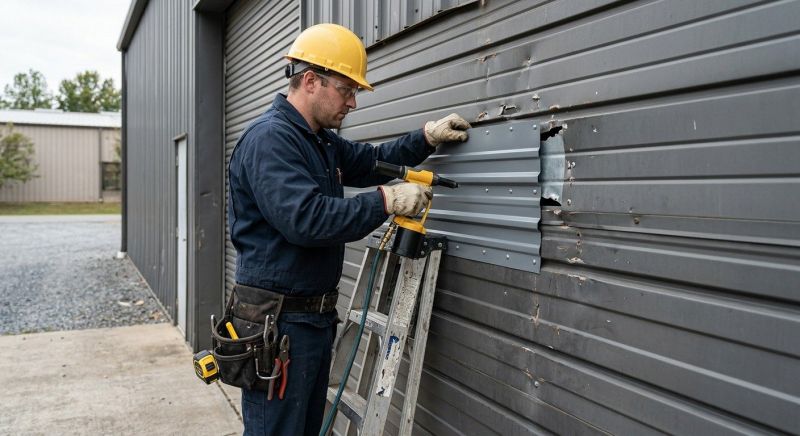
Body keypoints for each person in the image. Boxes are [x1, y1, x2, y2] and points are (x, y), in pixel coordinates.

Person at [227, 23, 470, 436]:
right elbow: (307, 220)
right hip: (279, 324)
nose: (353, 102)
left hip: (311, 321)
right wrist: (386, 200)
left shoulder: (318, 140)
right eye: (346, 89)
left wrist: (426, 138)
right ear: (310, 81)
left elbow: (372, 159)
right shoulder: (270, 140)